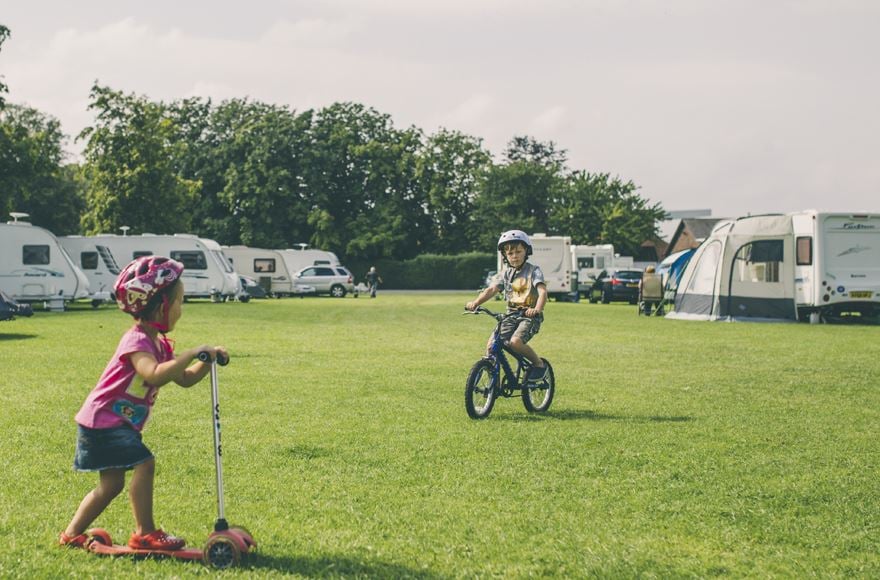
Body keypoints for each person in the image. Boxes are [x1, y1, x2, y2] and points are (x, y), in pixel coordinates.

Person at [59, 256, 227, 550]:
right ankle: (145, 533)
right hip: (105, 422)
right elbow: (153, 374)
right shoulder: (136, 341)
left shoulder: (159, 344)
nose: (181, 310)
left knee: (110, 485)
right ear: (162, 305)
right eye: (179, 302)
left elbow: (184, 378)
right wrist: (190, 353)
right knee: (144, 464)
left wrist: (206, 361)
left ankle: (71, 534)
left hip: (111, 422)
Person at [465, 230, 548, 381]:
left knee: (515, 342)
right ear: (505, 256)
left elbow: (542, 292)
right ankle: (492, 376)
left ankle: (538, 364)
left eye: (518, 252)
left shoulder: (533, 271)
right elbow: (491, 290)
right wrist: (476, 303)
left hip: (529, 317)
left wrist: (537, 309)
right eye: (510, 254)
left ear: (526, 251)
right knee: (492, 345)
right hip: (511, 315)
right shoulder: (506, 273)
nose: (514, 256)